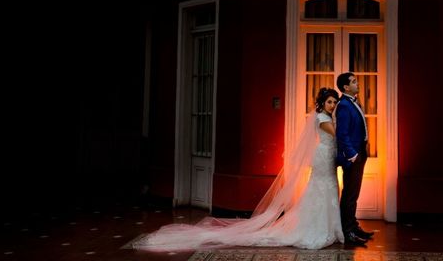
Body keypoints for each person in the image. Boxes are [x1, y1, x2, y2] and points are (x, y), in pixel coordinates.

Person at [135, 88, 344, 251]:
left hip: (326, 156)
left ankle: (330, 228)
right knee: (321, 189)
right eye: (329, 102)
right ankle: (315, 229)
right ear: (322, 103)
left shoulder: (326, 117)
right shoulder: (323, 119)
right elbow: (336, 134)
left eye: (334, 102)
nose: (332, 105)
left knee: (327, 188)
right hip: (323, 157)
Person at [335, 72, 374, 246]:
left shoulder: (354, 102)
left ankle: (353, 226)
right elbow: (342, 135)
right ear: (345, 87)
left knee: (354, 194)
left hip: (360, 152)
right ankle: (348, 232)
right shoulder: (343, 105)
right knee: (350, 195)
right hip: (353, 156)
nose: (357, 83)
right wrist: (353, 155)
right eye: (354, 81)